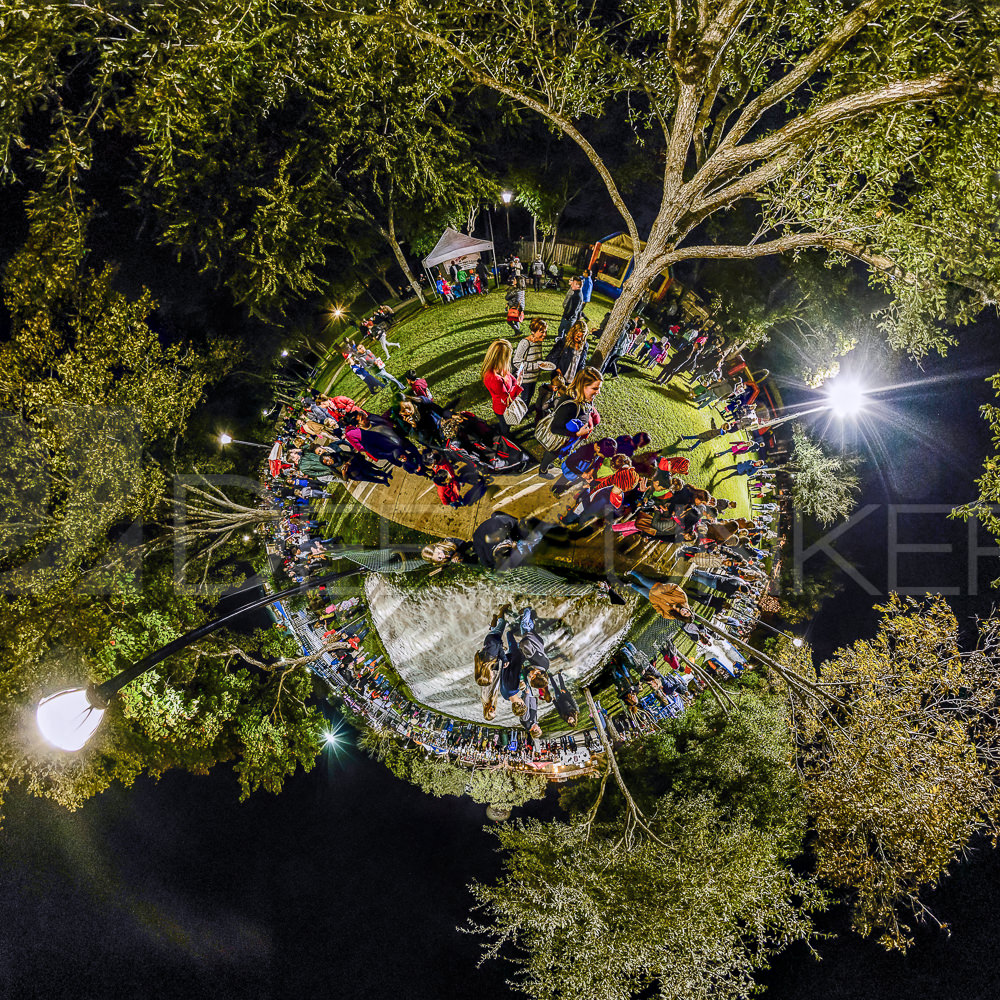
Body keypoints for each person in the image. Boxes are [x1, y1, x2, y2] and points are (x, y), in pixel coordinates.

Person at [537, 366, 603, 477]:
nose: (598, 392)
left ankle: (547, 463)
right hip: (560, 440)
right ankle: (543, 470)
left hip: (567, 440)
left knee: (555, 453)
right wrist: (577, 434)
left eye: (599, 388)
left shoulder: (584, 397)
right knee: (553, 452)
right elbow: (555, 428)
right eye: (595, 388)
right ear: (583, 386)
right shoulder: (570, 405)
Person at [482, 338, 524, 434]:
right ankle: (505, 439)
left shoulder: (500, 367)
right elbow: (507, 401)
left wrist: (515, 382)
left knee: (505, 424)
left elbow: (511, 380)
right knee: (505, 426)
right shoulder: (494, 378)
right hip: (502, 409)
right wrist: (518, 385)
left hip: (504, 407)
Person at [623, 570, 693, 621]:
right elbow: (674, 587)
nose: (685, 611)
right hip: (657, 588)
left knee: (640, 590)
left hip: (653, 598)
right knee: (643, 580)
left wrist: (655, 604)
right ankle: (632, 572)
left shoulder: (672, 616)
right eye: (687, 611)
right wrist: (662, 588)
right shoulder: (683, 599)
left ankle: (631, 584)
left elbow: (660, 611)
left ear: (681, 616)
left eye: (684, 614)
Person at [511, 317, 548, 408]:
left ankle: (524, 411)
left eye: (545, 331)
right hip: (526, 378)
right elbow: (516, 362)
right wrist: (536, 366)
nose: (545, 334)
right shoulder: (525, 343)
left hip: (534, 377)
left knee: (530, 396)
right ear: (533, 331)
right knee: (525, 398)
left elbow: (536, 358)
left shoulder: (538, 341)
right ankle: (519, 414)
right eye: (542, 332)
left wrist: (542, 364)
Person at [548, 319, 589, 383]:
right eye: (578, 336)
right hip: (559, 377)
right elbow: (551, 357)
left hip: (572, 380)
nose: (580, 339)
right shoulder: (563, 342)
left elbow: (582, 363)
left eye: (582, 337)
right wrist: (557, 369)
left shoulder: (585, 345)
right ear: (573, 332)